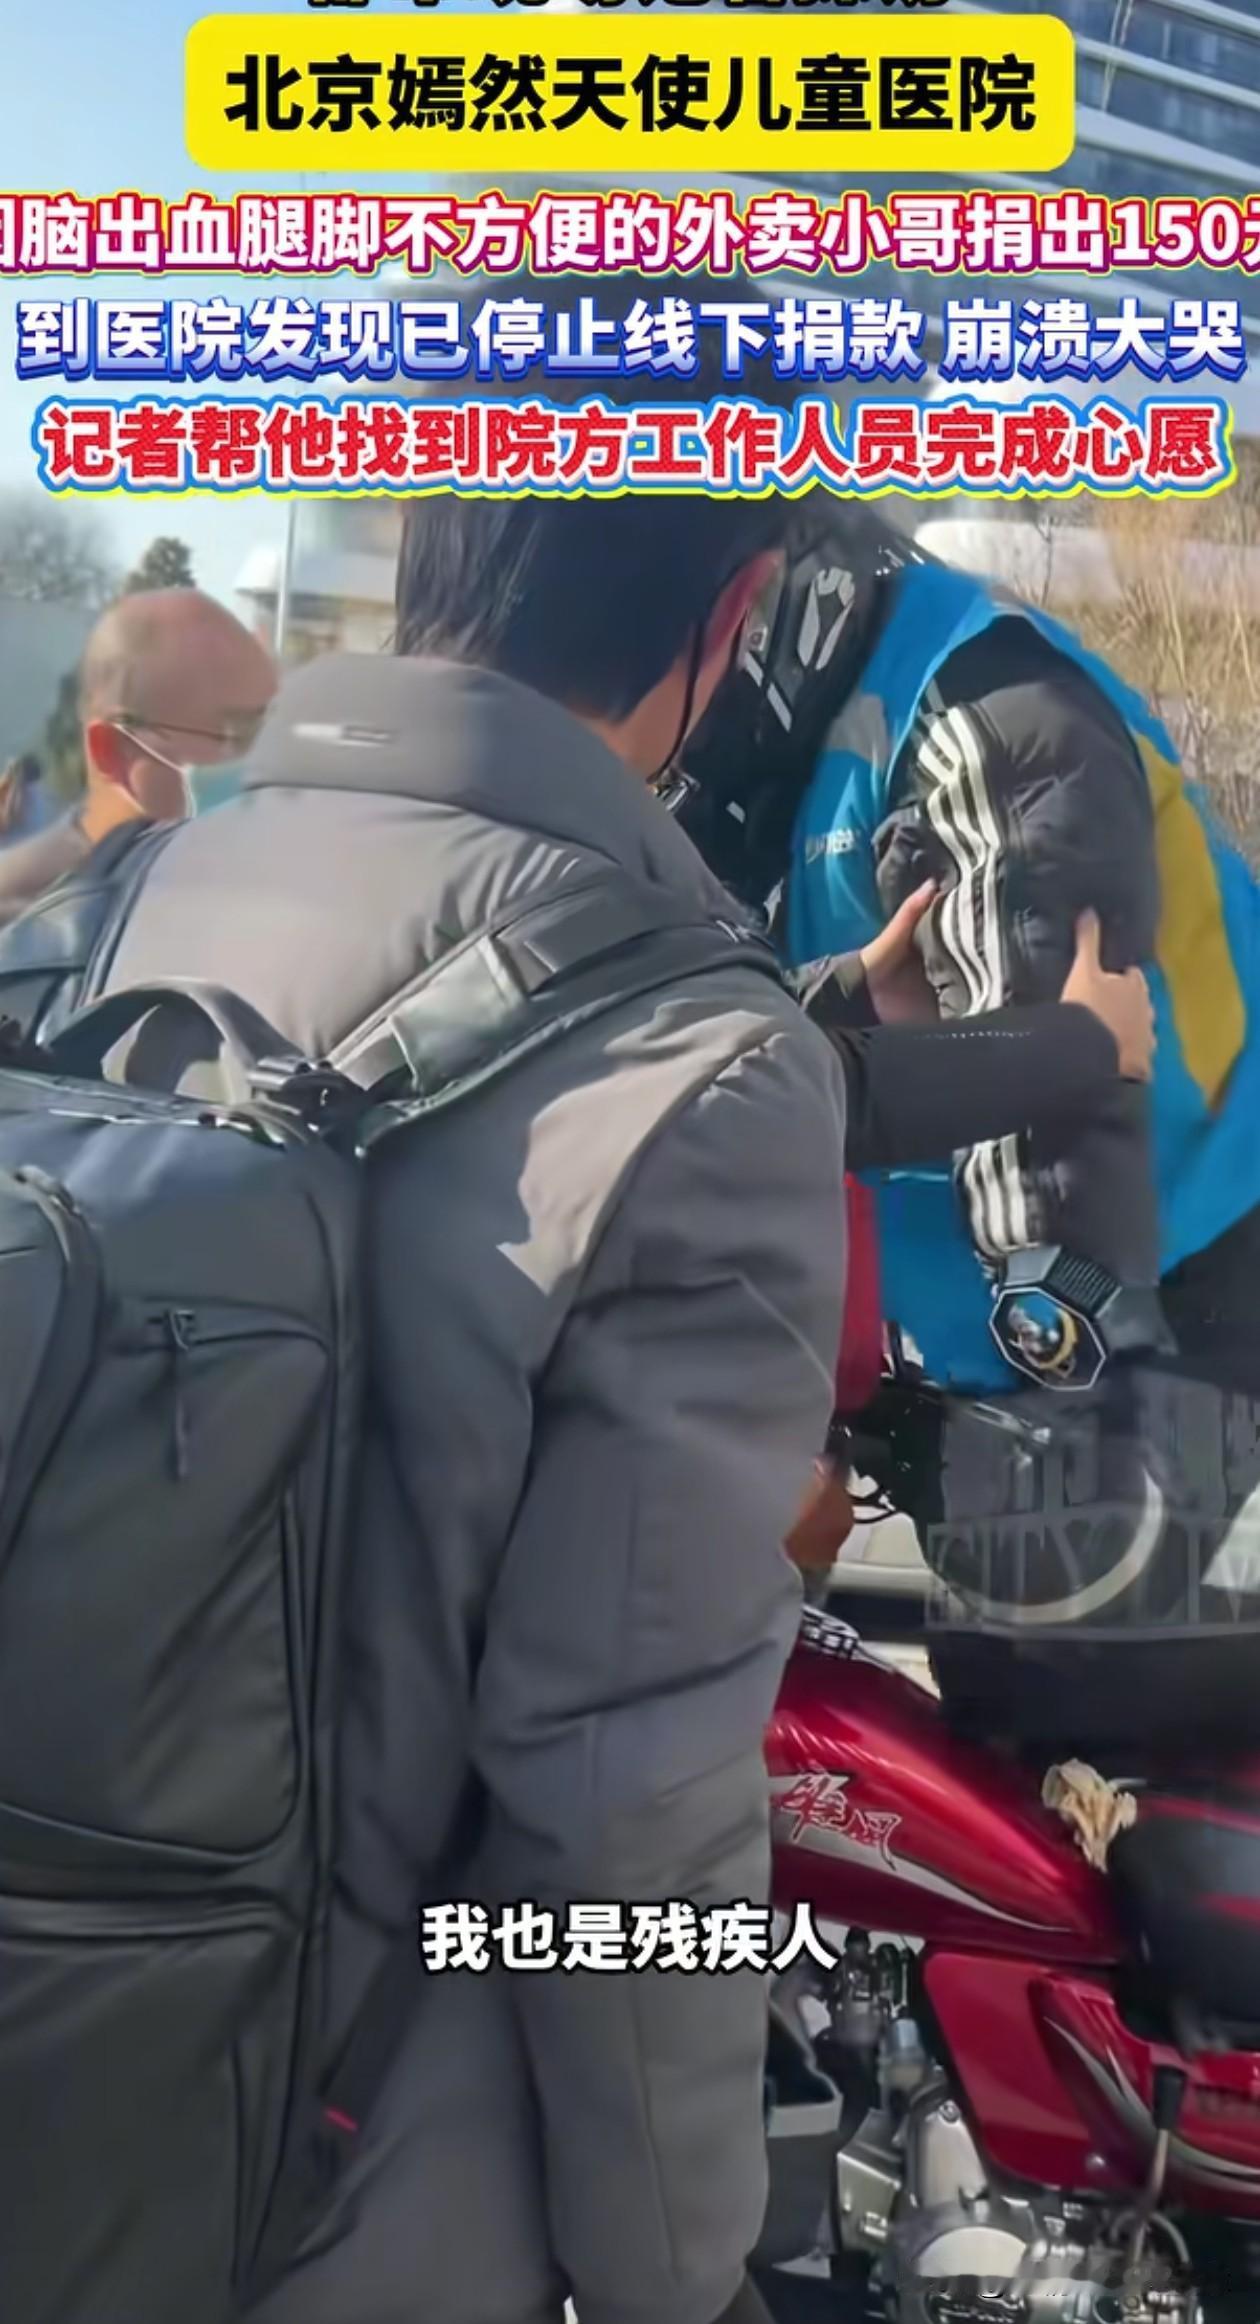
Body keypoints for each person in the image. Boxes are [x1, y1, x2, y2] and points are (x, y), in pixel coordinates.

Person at [88, 420, 854, 2319]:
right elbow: (622, 1805)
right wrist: (683, 2268)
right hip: (335, 2180)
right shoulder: (704, 1069)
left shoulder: (94, 919)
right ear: (736, 614)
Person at [0, 587, 275, 930]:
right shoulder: (24, 929)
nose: (264, 760)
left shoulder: (243, 899)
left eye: (272, 731)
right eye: (236, 735)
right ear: (114, 750)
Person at [0, 752, 54, 851]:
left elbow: (8, 819)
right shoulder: (28, 790)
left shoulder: (25, 797)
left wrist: (14, 781)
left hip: (19, 840)